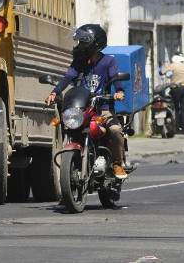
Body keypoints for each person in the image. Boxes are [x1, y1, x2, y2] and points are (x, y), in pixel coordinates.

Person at [45, 24, 129, 179]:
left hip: (102, 108)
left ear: (95, 43)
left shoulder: (109, 61)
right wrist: (55, 92)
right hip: (82, 107)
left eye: (83, 42)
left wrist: (119, 91)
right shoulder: (80, 61)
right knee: (63, 124)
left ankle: (117, 164)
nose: (80, 45)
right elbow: (68, 77)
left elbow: (115, 77)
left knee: (115, 130)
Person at [163, 54, 184, 134]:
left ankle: (176, 127)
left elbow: (163, 72)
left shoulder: (173, 65)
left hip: (176, 88)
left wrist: (162, 71)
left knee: (176, 108)